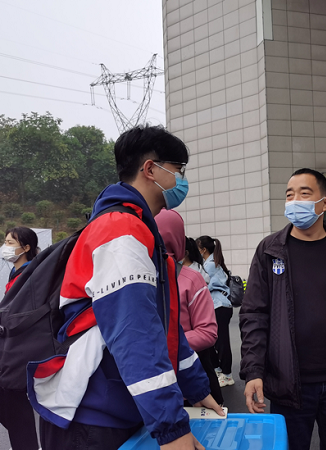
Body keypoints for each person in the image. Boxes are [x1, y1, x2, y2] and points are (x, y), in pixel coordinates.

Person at [30, 125, 223, 450]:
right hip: (94, 418)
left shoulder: (137, 227)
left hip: (117, 408)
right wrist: (172, 428)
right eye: (178, 170)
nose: (182, 180)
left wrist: (197, 388)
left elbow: (165, 327)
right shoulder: (120, 230)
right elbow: (136, 335)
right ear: (151, 169)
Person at [239, 168, 326, 450]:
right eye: (289, 195)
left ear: (324, 202)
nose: (295, 201)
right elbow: (254, 315)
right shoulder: (269, 250)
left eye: (304, 194)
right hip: (288, 384)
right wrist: (254, 371)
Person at [156, 211, 223, 405]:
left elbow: (207, 332)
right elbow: (208, 332)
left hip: (152, 383)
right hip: (191, 382)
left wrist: (158, 345)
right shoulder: (191, 278)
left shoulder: (131, 277)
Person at [0, 227, 39, 450]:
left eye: (10, 243)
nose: (5, 247)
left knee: (13, 402)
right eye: (5, 242)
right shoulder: (17, 274)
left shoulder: (28, 276)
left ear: (26, 247)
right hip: (11, 347)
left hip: (17, 350)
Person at [196, 235, 233, 388]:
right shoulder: (213, 262)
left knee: (221, 342)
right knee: (214, 340)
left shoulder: (210, 265)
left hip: (219, 305)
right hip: (219, 305)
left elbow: (205, 284)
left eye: (198, 248)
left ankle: (227, 375)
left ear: (203, 249)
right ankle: (219, 370)